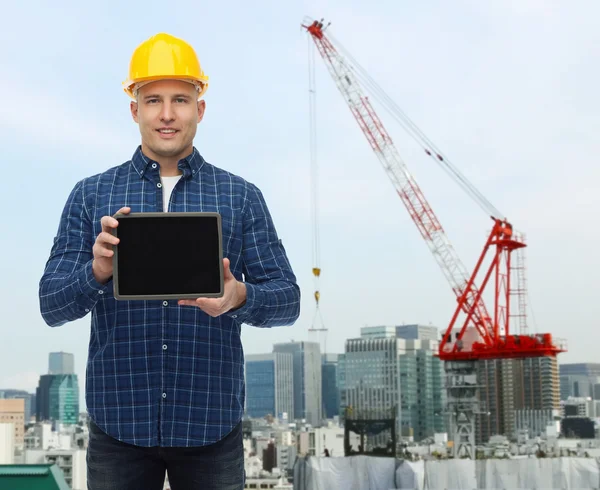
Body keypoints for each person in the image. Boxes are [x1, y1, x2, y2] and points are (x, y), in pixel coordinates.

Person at [38, 32, 300, 490]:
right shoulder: (91, 194)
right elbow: (51, 305)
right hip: (118, 426)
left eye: (181, 99)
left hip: (210, 428)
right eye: (152, 99)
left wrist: (239, 296)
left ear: (199, 108)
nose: (166, 113)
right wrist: (96, 272)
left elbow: (288, 299)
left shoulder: (240, 197)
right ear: (134, 109)